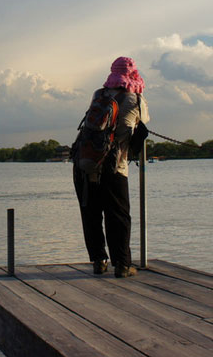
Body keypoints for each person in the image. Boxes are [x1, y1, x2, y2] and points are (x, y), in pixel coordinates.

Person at [73, 56, 149, 278]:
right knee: (118, 215)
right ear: (133, 74)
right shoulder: (134, 98)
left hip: (85, 162)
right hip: (114, 166)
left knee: (91, 214)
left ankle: (99, 261)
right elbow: (128, 128)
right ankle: (123, 265)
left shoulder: (99, 94)